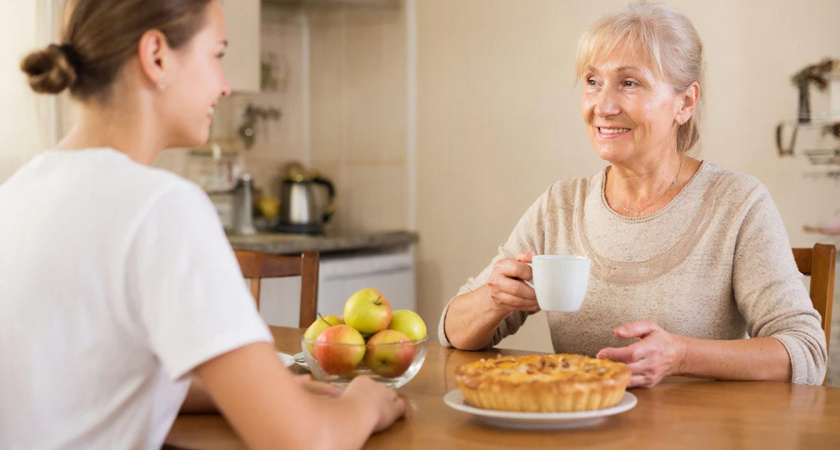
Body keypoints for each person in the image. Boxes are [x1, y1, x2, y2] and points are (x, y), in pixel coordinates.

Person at [0, 1, 404, 449]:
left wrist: (252, 395)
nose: (226, 86)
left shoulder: (19, 191)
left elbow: (79, 384)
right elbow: (303, 443)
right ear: (156, 56)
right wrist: (366, 402)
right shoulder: (162, 207)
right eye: (217, 54)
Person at [438, 2, 827, 388]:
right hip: (582, 431)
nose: (602, 107)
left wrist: (681, 356)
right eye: (592, 82)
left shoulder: (737, 204)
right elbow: (452, 332)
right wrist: (493, 299)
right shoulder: (560, 206)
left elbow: (806, 351)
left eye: (629, 83)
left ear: (685, 103)